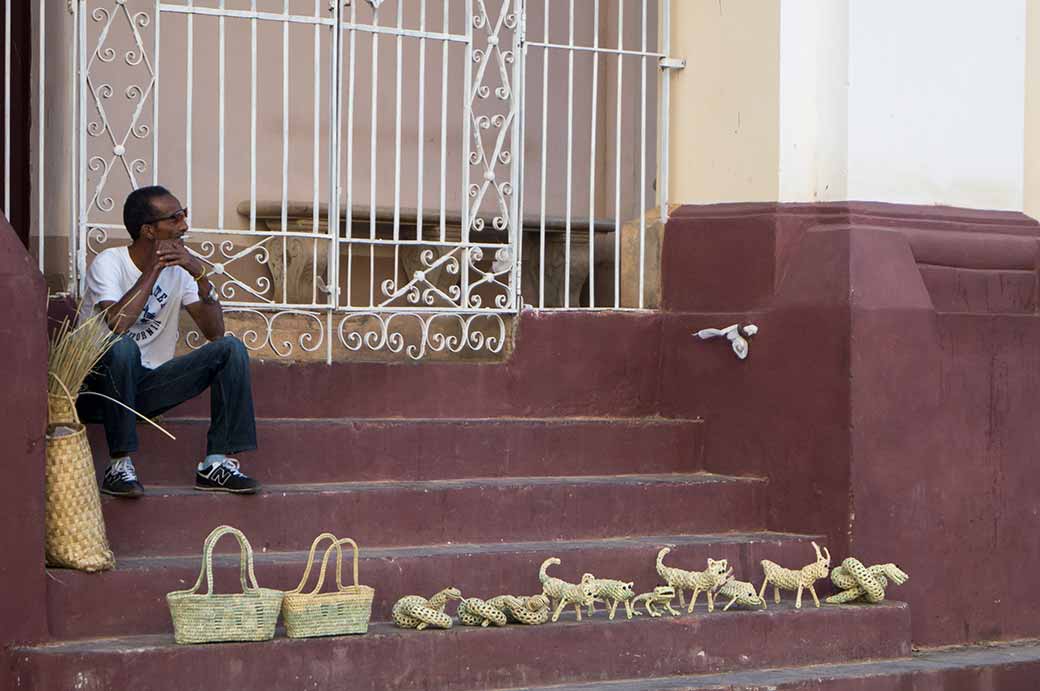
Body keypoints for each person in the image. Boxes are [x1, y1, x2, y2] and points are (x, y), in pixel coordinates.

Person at [77, 185, 260, 497]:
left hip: (146, 390)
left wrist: (200, 276)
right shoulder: (109, 263)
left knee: (230, 349)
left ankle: (216, 462)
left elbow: (214, 332)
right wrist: (153, 270)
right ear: (149, 231)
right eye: (174, 218)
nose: (185, 225)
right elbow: (119, 323)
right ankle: (119, 465)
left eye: (183, 214)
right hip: (98, 391)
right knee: (123, 348)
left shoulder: (181, 269)